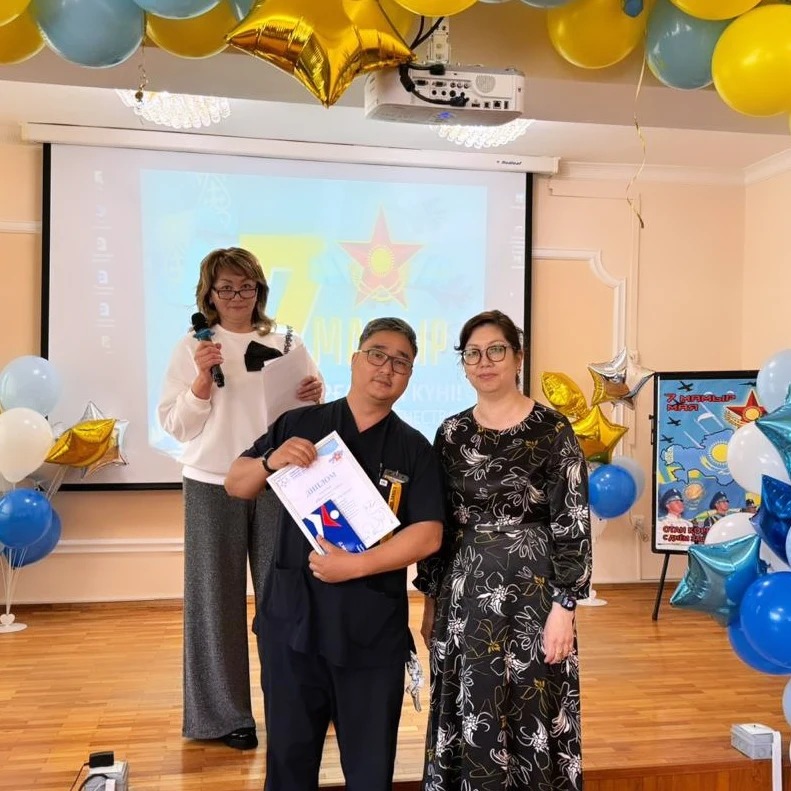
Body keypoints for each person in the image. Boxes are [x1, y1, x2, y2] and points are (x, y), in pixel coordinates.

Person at [225, 316, 445, 791]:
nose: (387, 368)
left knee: (369, 773)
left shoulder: (414, 449)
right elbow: (235, 482)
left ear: (410, 376)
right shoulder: (301, 424)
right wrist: (271, 461)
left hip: (370, 636)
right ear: (354, 360)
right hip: (293, 627)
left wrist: (356, 566)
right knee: (288, 765)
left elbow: (428, 535)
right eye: (377, 354)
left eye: (401, 362)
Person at [415, 309, 592, 791]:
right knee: (472, 707)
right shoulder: (451, 434)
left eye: (496, 350)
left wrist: (565, 608)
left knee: (533, 706)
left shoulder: (552, 430)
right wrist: (430, 602)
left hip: (535, 597)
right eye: (472, 354)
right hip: (464, 598)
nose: (484, 362)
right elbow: (439, 526)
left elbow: (573, 522)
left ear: (518, 357)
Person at [157, 247, 323, 750]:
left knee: (285, 598)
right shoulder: (193, 345)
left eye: (246, 286)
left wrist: (314, 395)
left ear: (259, 290)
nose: (236, 296)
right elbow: (176, 426)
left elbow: (307, 409)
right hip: (211, 483)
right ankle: (224, 717)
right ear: (209, 293)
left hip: (275, 481)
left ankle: (297, 704)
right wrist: (201, 382)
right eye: (226, 288)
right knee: (214, 603)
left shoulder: (286, 340)